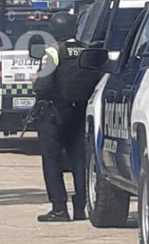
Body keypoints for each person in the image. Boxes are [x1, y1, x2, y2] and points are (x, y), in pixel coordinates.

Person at [32, 12, 101, 222]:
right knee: (79, 160)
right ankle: (81, 207)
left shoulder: (53, 51)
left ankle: (59, 209)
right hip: (80, 112)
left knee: (52, 160)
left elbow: (43, 85)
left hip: (55, 113)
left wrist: (35, 83)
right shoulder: (85, 49)